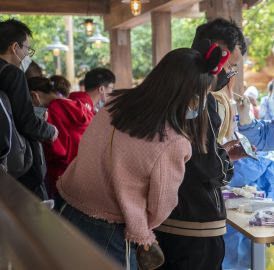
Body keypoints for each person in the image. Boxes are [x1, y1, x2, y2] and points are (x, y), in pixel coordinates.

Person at [57, 47, 221, 268]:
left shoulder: (113, 104)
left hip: (67, 212)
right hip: (111, 232)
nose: (200, 104)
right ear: (187, 95)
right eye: (199, 96)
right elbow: (160, 207)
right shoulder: (173, 141)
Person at [155, 20, 248, 270]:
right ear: (217, 51)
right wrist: (225, 161)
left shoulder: (169, 89)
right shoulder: (198, 98)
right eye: (232, 65)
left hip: (168, 218)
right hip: (193, 225)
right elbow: (206, 165)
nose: (230, 74)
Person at [0, 18, 57, 198]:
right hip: (18, 165)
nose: (27, 54)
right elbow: (27, 122)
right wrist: (51, 131)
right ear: (14, 47)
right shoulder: (12, 73)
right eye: (27, 48)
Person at [27, 76, 93, 204]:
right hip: (83, 170)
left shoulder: (53, 109)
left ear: (34, 95)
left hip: (62, 174)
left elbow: (57, 149)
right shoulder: (77, 104)